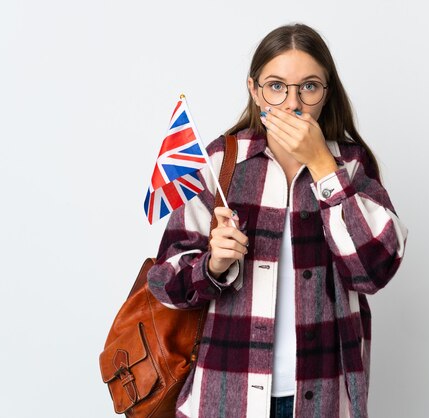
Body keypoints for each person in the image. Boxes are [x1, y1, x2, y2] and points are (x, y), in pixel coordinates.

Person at [148, 23, 408, 418]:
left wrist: (322, 165)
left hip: (324, 397)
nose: (292, 103)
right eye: (275, 86)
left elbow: (374, 270)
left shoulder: (350, 166)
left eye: (308, 86)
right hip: (224, 395)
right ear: (254, 90)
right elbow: (164, 282)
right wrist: (212, 265)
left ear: (326, 91)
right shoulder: (222, 163)